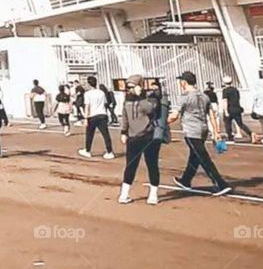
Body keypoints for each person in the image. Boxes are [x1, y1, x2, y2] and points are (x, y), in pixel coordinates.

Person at [170, 70, 231, 195]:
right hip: (203, 129)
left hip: (191, 131)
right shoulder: (204, 96)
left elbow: (174, 116)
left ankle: (220, 183)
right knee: (195, 156)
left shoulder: (184, 97)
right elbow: (212, 115)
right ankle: (185, 180)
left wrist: (160, 124)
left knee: (203, 158)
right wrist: (216, 131)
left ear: (184, 82)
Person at [117, 75, 162, 206]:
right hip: (136, 137)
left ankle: (152, 194)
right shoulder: (129, 101)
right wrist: (123, 132)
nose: (130, 90)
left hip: (146, 137)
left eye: (133, 87)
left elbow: (150, 109)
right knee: (133, 166)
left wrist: (141, 96)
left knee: (150, 165)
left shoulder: (146, 99)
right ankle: (125, 194)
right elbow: (125, 118)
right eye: (129, 87)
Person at [78, 75, 114, 160]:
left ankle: (87, 151)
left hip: (92, 116)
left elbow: (87, 106)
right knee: (106, 134)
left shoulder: (87, 94)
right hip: (102, 114)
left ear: (89, 84)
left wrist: (86, 118)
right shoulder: (101, 92)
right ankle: (110, 152)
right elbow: (105, 103)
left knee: (89, 134)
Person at [220, 76, 252, 142]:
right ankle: (250, 133)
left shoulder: (225, 90)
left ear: (224, 82)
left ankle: (230, 137)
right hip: (237, 108)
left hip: (230, 109)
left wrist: (226, 111)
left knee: (228, 124)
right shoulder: (235, 90)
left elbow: (225, 101)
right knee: (240, 124)